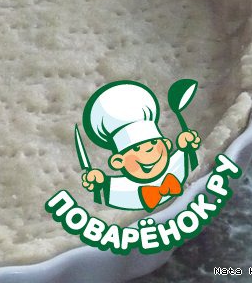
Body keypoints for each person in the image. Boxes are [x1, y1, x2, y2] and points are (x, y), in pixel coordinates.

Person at [80, 81, 201, 211]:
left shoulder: (177, 165)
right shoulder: (123, 190)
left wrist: (188, 146)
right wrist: (98, 184)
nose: (149, 151)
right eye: (137, 148)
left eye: (153, 143)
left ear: (166, 144)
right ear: (118, 162)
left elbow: (193, 161)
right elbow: (101, 199)